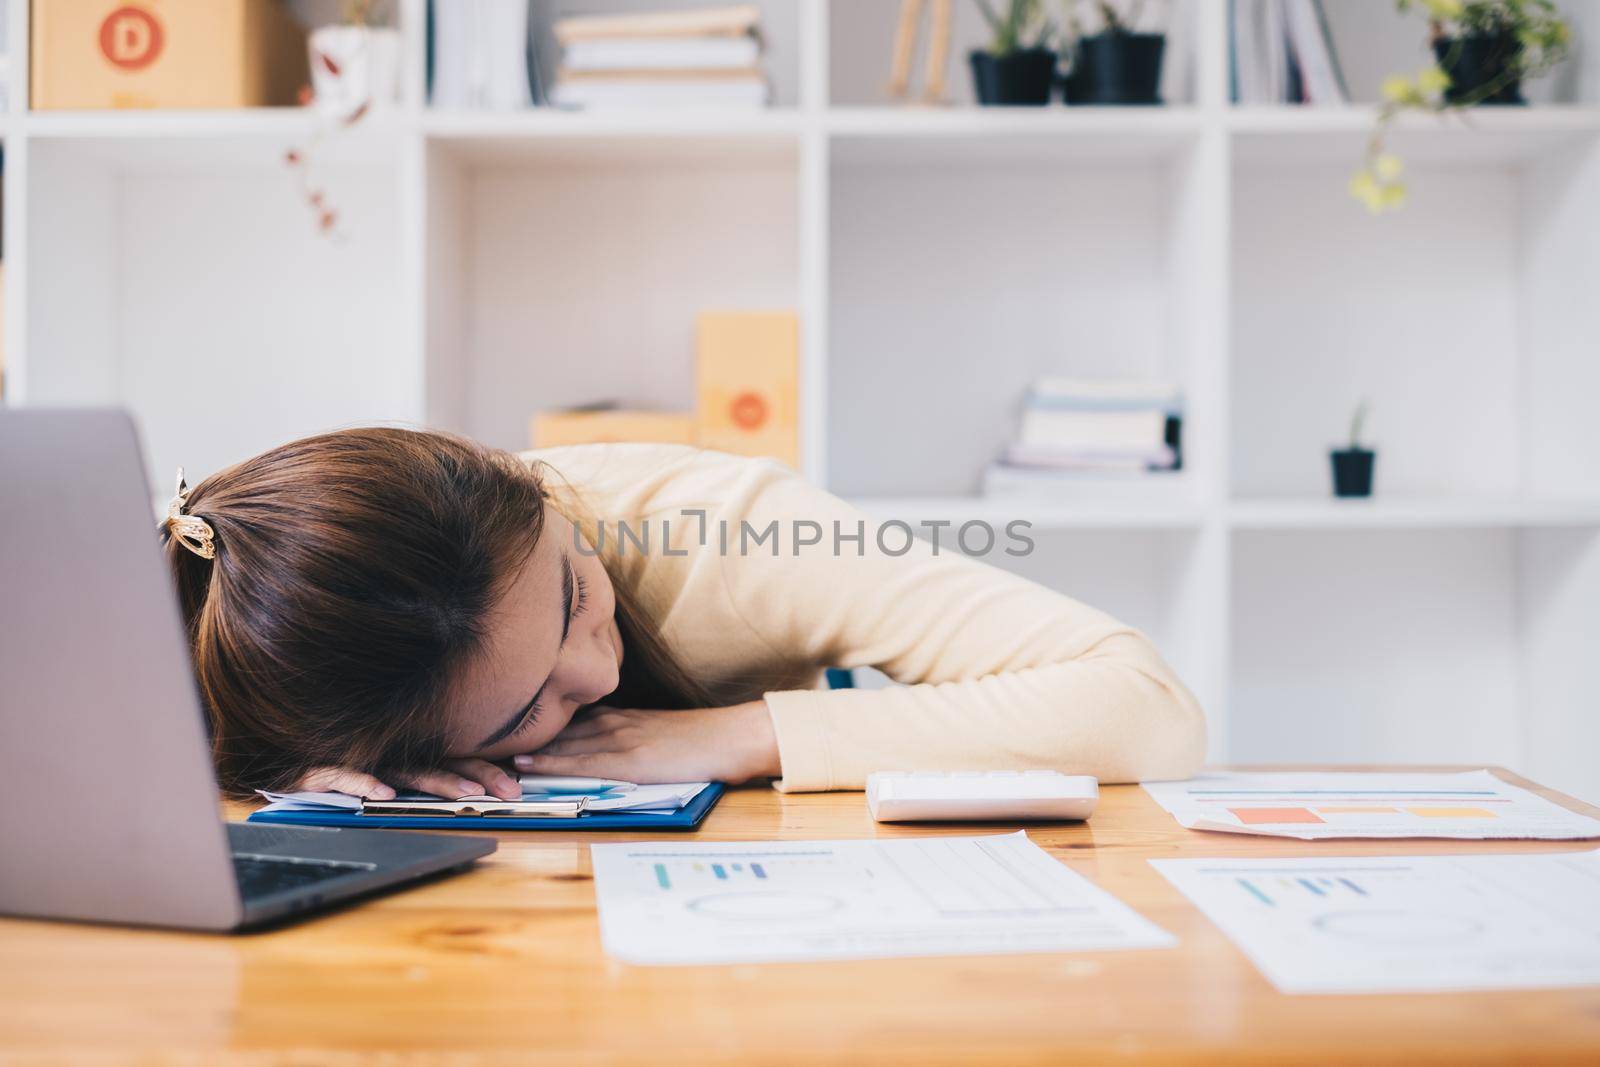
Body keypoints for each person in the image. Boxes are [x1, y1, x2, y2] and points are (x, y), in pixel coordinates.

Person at [161, 427, 1206, 801]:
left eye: (574, 593)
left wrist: (742, 734)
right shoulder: (275, 615)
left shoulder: (730, 530)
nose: (600, 673)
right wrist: (282, 772)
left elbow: (1143, 704)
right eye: (527, 707)